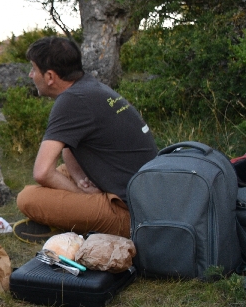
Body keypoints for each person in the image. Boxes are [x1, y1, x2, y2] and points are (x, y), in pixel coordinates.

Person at [15, 37, 158, 239]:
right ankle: (74, 218)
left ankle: (75, 224)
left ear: (49, 76)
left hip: (132, 216)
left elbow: (41, 172)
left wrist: (81, 196)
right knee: (61, 173)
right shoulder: (87, 86)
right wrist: (81, 179)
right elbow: (69, 146)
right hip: (143, 194)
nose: (31, 75)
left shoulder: (72, 100)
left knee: (28, 198)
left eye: (33, 69)